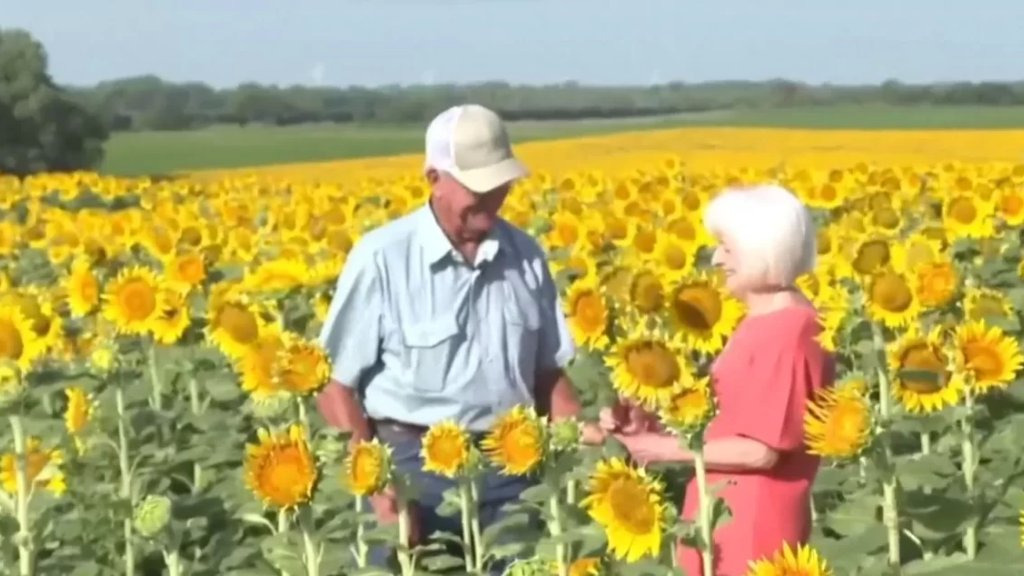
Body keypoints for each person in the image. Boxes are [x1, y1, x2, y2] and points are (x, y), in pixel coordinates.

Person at [316, 103, 606, 574]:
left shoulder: (525, 256)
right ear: (434, 179)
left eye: (501, 184)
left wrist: (587, 437)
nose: (493, 197)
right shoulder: (384, 258)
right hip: (410, 467)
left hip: (513, 467)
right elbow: (334, 385)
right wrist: (379, 489)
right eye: (479, 187)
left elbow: (547, 375)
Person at [601, 184, 835, 575]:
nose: (716, 258)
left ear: (763, 249)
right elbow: (730, 420)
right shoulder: (760, 321)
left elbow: (761, 450)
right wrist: (648, 423)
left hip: (753, 524)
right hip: (724, 513)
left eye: (728, 247)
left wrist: (662, 449)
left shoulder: (791, 330)